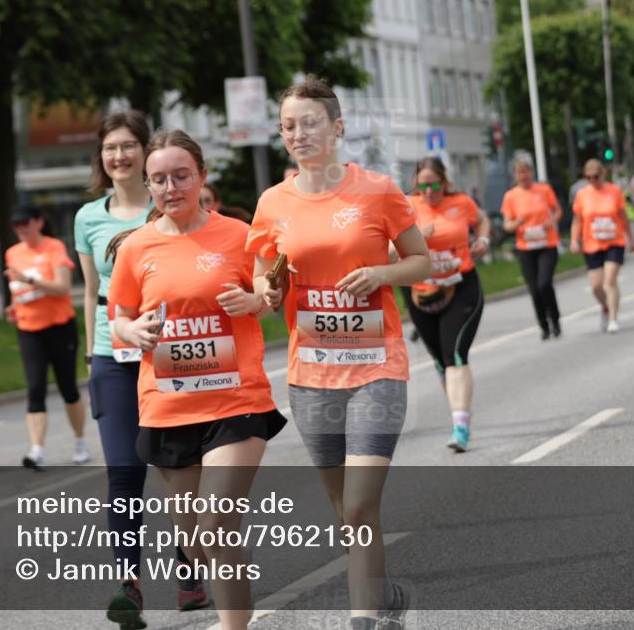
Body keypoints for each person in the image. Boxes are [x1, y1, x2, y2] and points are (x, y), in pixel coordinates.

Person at [247, 76, 431, 629]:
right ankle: (386, 597)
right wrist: (268, 291)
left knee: (357, 506)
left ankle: (362, 621)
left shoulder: (376, 190)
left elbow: (421, 261)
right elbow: (262, 272)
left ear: (337, 127)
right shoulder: (273, 201)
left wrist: (381, 271)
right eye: (287, 126)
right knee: (343, 512)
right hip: (312, 374)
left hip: (377, 366)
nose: (297, 134)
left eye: (308, 122)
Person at [110, 128, 286, 630]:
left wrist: (257, 301)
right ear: (149, 186)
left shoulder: (236, 233)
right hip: (168, 406)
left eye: (181, 176)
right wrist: (132, 329)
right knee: (195, 537)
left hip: (236, 402)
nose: (171, 188)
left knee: (215, 523)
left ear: (201, 176)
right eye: (159, 179)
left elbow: (266, 289)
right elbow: (118, 315)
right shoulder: (136, 248)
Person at [74, 111, 209, 626]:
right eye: (110, 148)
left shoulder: (170, 202)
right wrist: (93, 357)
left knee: (178, 472)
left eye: (129, 146)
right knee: (123, 472)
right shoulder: (88, 217)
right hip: (113, 355)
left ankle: (189, 571)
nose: (120, 156)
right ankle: (129, 585)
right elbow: (92, 293)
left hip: (176, 353)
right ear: (101, 157)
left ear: (144, 153)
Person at [402, 156, 491, 452]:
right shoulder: (406, 207)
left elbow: (481, 220)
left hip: (461, 287)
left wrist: (483, 240)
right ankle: (459, 410)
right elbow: (386, 248)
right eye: (423, 185)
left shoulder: (462, 202)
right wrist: (417, 238)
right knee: (441, 360)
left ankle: (460, 426)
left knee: (455, 354)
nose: (429, 191)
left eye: (435, 184)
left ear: (445, 182)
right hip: (421, 293)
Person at [4, 203, 90, 467]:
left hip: (59, 326)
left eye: (25, 223)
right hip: (29, 329)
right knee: (35, 388)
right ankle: (36, 449)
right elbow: (15, 288)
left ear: (39, 222)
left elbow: (62, 287)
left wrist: (31, 280)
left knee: (67, 386)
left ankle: (79, 441)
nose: (21, 229)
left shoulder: (54, 247)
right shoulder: (12, 253)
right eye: (17, 225)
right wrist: (13, 306)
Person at [570, 159, 634, 333]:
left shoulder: (614, 191)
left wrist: (630, 238)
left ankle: (613, 319)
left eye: (596, 176)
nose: (592, 180)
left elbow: (623, 216)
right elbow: (577, 220)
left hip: (614, 242)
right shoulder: (582, 194)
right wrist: (573, 240)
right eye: (588, 177)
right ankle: (605, 306)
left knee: (610, 280)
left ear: (602, 174)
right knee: (595, 286)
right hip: (592, 244)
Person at [501, 155, 563, 340]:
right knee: (534, 288)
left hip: (547, 243)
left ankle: (555, 320)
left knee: (544, 283)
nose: (524, 176)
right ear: (515, 175)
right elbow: (507, 225)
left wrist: (550, 221)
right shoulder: (511, 196)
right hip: (526, 247)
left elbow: (558, 211)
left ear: (532, 173)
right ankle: (543, 325)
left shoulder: (543, 190)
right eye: (520, 172)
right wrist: (517, 223)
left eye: (527, 172)